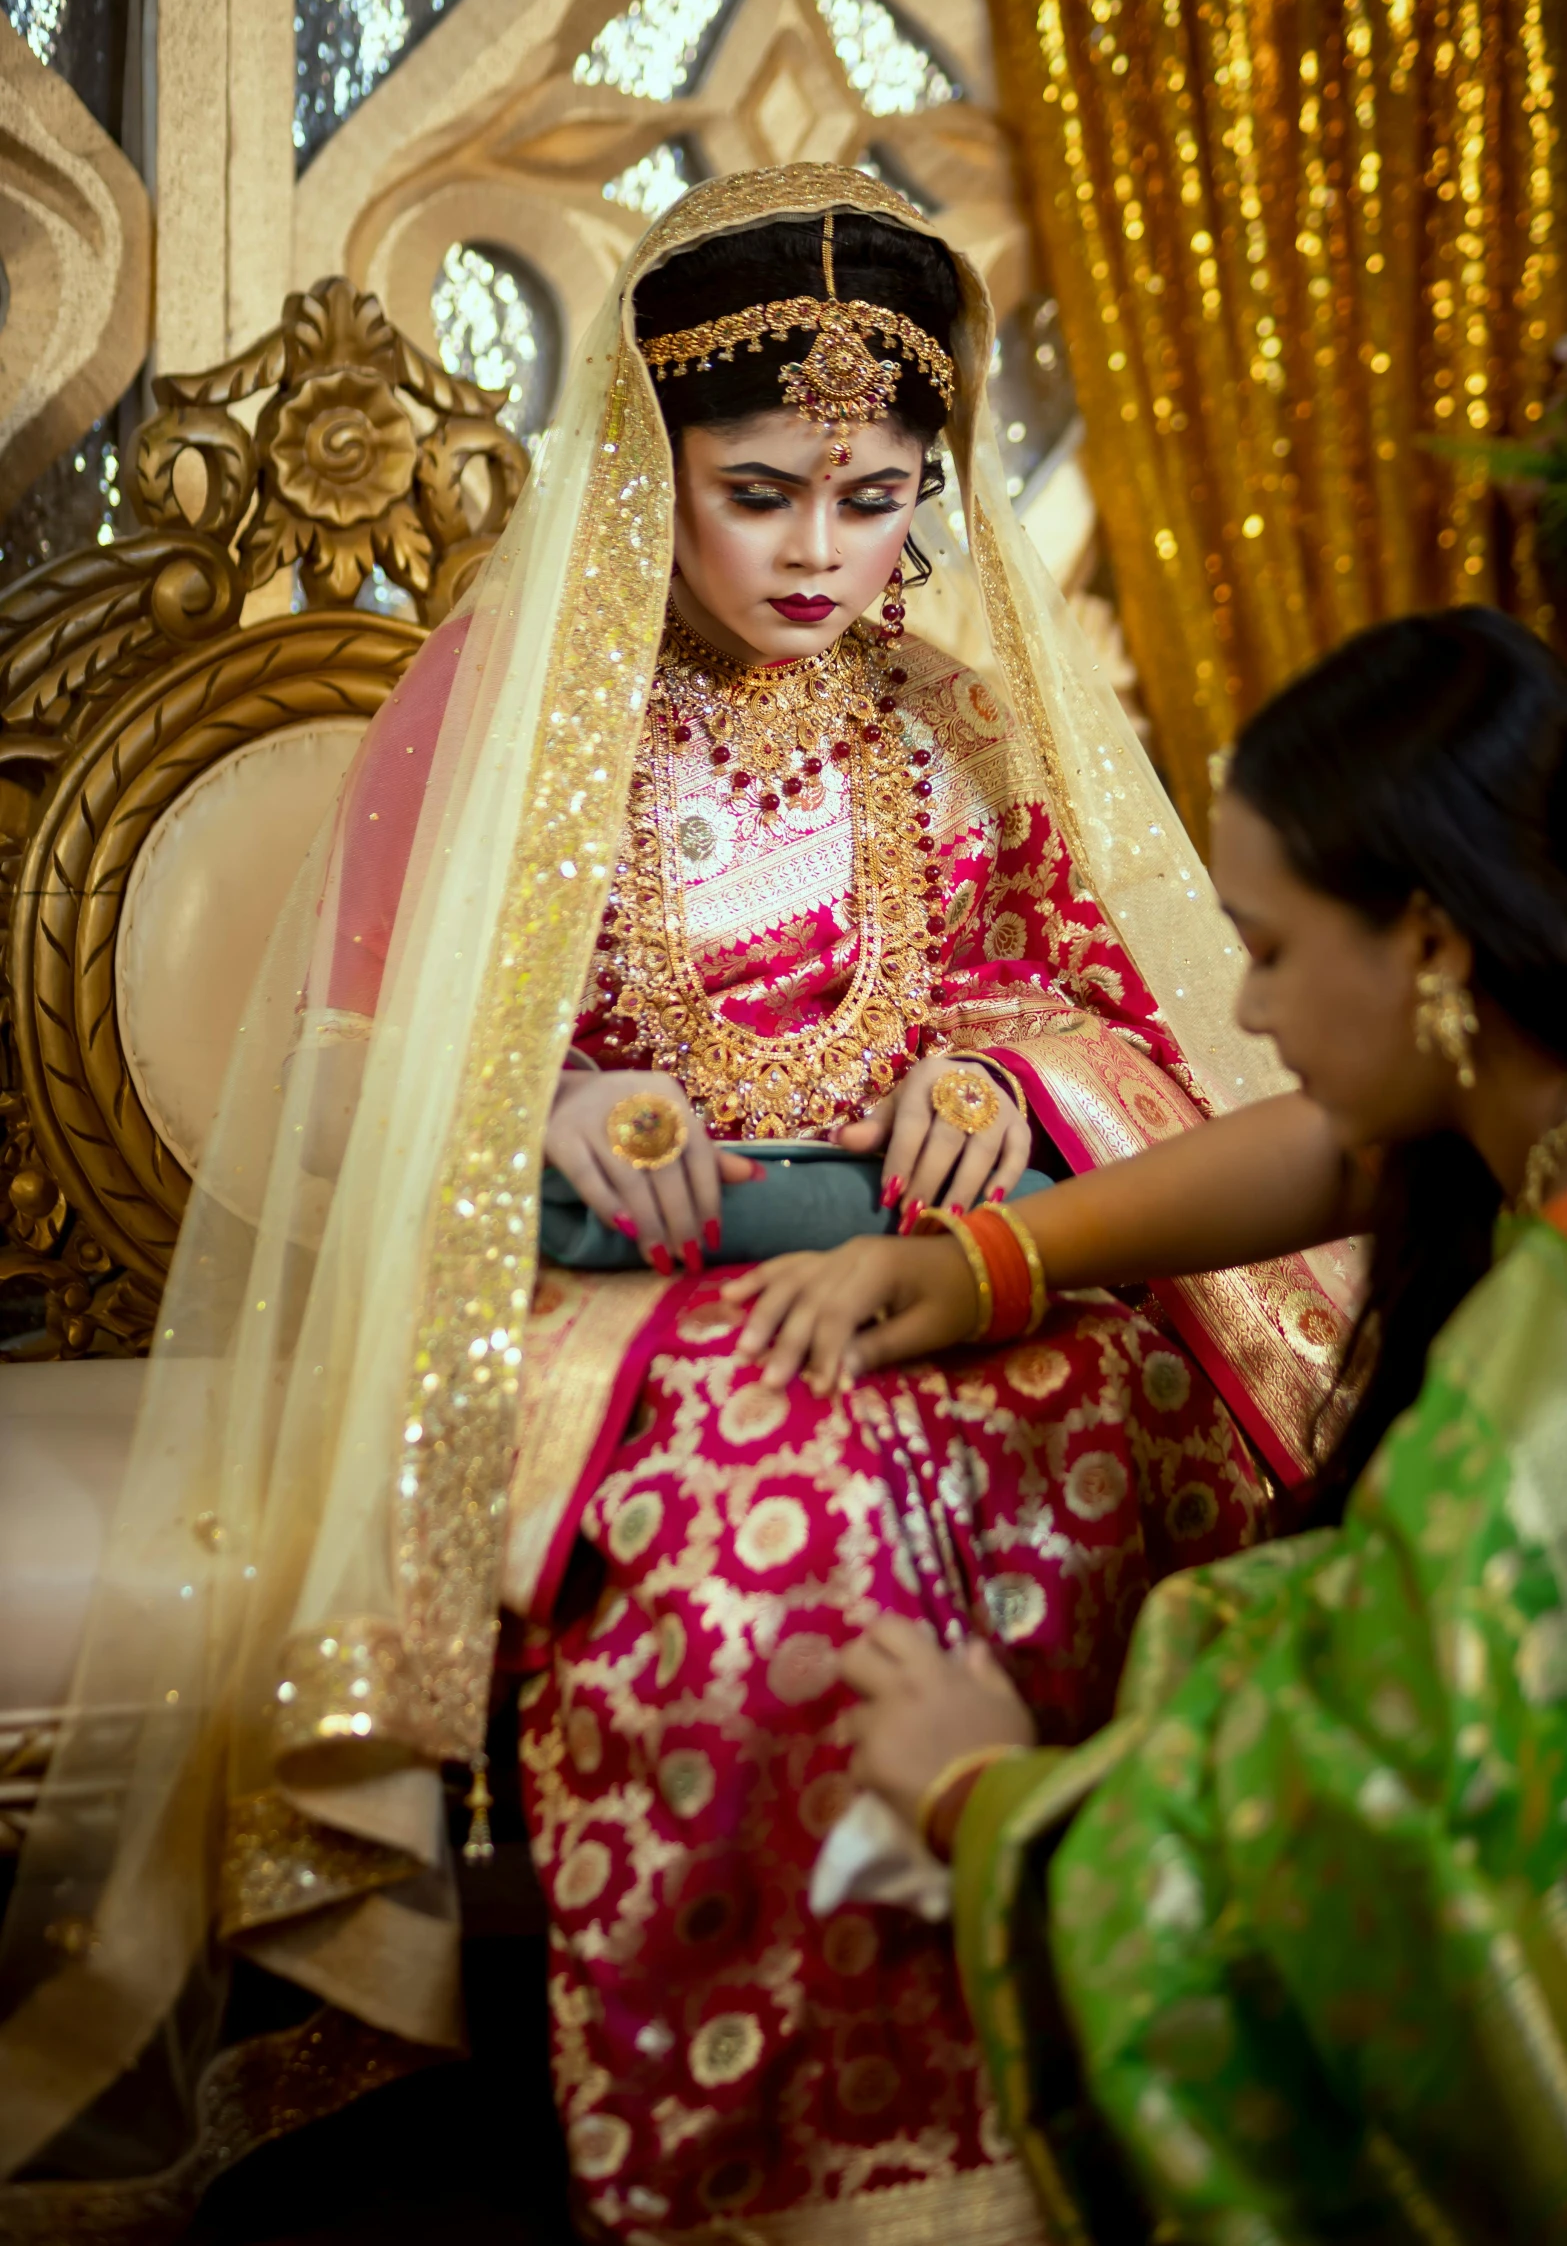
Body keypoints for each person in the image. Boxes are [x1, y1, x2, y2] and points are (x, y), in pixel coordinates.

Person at [0, 167, 1341, 2244]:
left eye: (883, 492)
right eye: (767, 489)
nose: (829, 550)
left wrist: (999, 1068)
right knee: (763, 1511)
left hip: (938, 1266)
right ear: (655, 460)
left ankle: (1111, 2099)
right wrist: (546, 1107)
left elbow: (1079, 984)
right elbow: (326, 1094)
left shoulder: (953, 715)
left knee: (1133, 1436)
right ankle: (790, 2163)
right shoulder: (512, 714)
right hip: (619, 1310)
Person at [737, 607, 1567, 2241]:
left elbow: (1368, 1887)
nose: (1243, 1011)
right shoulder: (1512, 1091)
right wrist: (991, 1257)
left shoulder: (1519, 1414)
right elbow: (1339, 1143)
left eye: (1263, 948)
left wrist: (986, 1805)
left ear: (1432, 942)